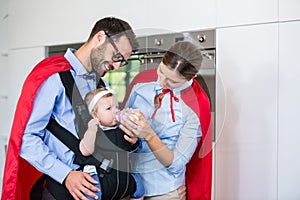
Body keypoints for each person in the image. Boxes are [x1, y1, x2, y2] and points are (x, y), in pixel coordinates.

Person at [1, 17, 139, 200]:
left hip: (96, 189)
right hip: (62, 191)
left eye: (122, 62)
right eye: (117, 57)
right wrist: (65, 174)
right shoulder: (53, 78)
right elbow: (26, 139)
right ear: (100, 38)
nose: (116, 66)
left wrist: (131, 140)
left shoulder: (102, 85)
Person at [120, 41, 212, 200]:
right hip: (130, 186)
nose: (162, 82)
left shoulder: (195, 106)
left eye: (172, 81)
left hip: (164, 191)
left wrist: (149, 135)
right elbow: (119, 127)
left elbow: (177, 163)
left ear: (192, 76)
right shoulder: (141, 83)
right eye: (161, 71)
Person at [79, 87, 144, 200]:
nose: (115, 111)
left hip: (123, 174)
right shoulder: (93, 130)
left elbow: (135, 148)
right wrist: (91, 130)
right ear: (95, 115)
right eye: (109, 108)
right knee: (92, 194)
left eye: (117, 107)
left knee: (140, 190)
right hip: (100, 177)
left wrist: (132, 123)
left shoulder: (122, 128)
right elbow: (85, 151)